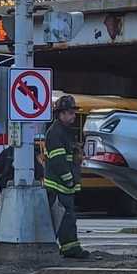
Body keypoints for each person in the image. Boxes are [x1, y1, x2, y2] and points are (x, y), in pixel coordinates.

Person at [44, 95, 89, 259]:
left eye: (73, 113)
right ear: (60, 114)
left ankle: (69, 246)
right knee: (66, 218)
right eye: (70, 113)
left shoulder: (65, 132)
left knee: (66, 217)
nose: (73, 116)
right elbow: (58, 160)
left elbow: (68, 157)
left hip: (63, 185)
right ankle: (71, 249)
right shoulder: (56, 133)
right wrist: (69, 179)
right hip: (59, 185)